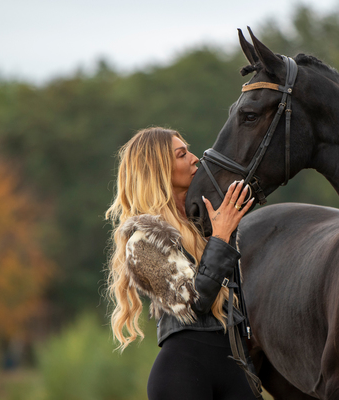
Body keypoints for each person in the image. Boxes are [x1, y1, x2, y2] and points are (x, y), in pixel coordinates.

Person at [105, 127, 258, 400]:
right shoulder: (142, 239)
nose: (194, 158)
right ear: (159, 169)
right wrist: (221, 239)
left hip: (234, 366)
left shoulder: (205, 225)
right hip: (182, 376)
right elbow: (191, 303)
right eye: (181, 154)